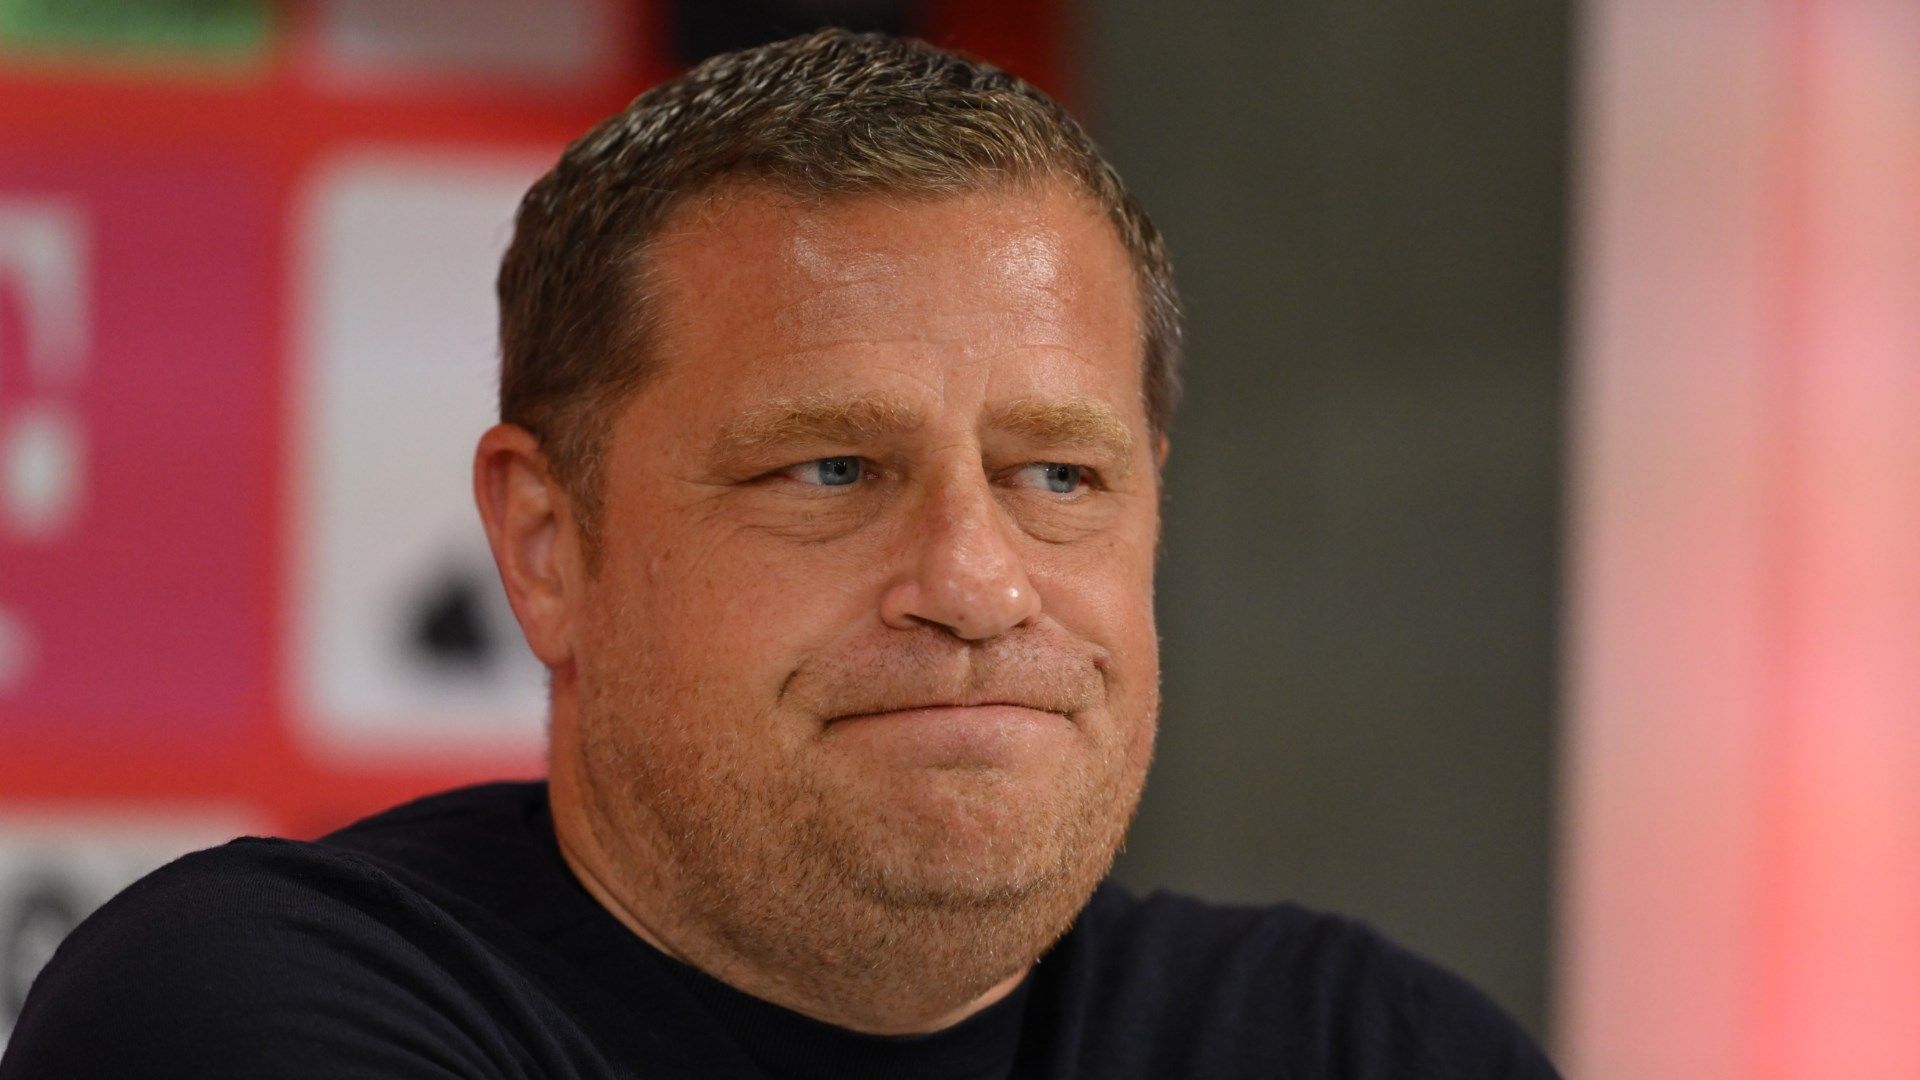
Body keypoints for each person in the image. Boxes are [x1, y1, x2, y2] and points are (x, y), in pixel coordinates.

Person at [1, 30, 1558, 1079]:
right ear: (546, 545)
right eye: (832, 470)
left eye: (1057, 476)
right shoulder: (258, 1006)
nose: (977, 582)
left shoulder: (1360, 1043)